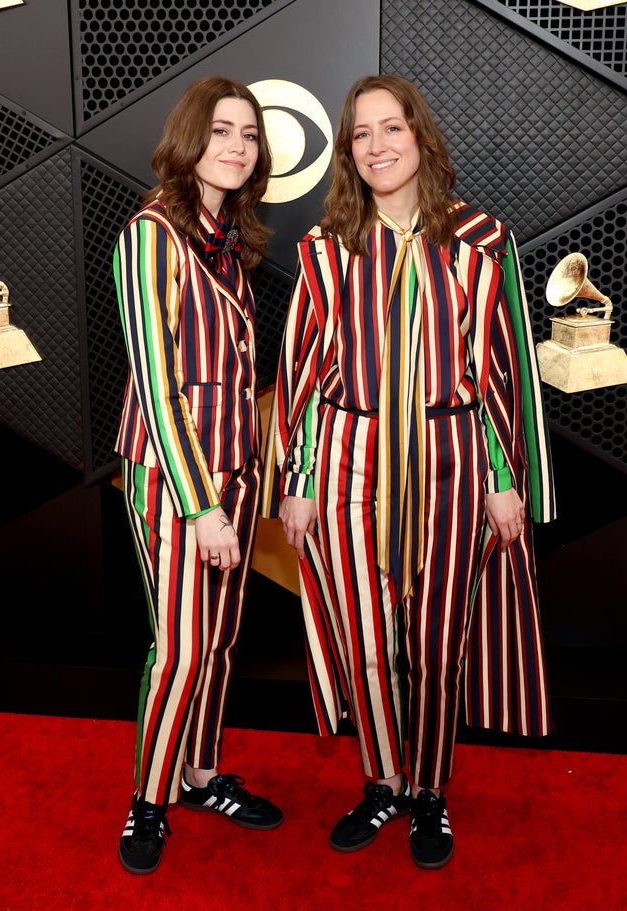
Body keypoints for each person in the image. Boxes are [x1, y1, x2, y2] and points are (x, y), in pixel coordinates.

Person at [262, 73, 556, 870]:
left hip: (454, 463)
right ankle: (383, 778)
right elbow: (305, 372)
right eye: (361, 134)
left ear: (421, 137)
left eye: (392, 128)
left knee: (435, 641)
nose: (378, 145)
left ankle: (430, 789)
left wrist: (506, 479)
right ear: (348, 153)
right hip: (350, 461)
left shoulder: (481, 239)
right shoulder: (325, 250)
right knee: (364, 636)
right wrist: (299, 477)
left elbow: (500, 372)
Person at [113, 75, 282, 875]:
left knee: (217, 641)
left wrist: (244, 484)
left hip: (236, 477)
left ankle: (202, 773)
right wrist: (201, 505)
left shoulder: (229, 242)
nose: (237, 145)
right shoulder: (151, 235)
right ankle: (148, 800)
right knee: (180, 646)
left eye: (249, 133)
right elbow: (155, 377)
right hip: (176, 482)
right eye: (221, 130)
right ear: (191, 137)